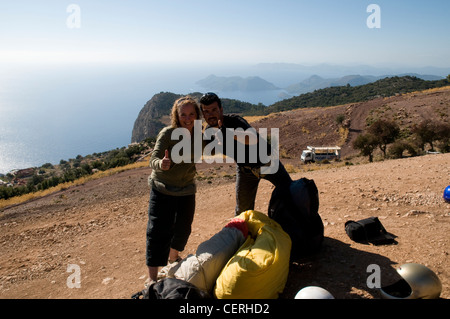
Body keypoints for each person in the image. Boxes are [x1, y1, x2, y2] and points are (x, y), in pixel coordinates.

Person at [199, 92, 292, 216]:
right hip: (245, 170)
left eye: (214, 109)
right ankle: (243, 233)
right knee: (242, 210)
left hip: (267, 162)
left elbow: (253, 138)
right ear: (203, 114)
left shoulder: (235, 121)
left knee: (290, 192)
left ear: (221, 109)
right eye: (206, 111)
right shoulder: (209, 132)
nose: (210, 114)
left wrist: (231, 134)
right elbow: (207, 151)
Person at [145, 96, 201, 285]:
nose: (187, 118)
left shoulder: (199, 135)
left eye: (191, 114)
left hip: (186, 189)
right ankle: (152, 279)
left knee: (183, 228)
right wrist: (161, 163)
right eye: (183, 114)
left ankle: (173, 258)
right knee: (157, 232)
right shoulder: (168, 133)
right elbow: (153, 159)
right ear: (176, 116)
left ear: (197, 115)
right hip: (162, 189)